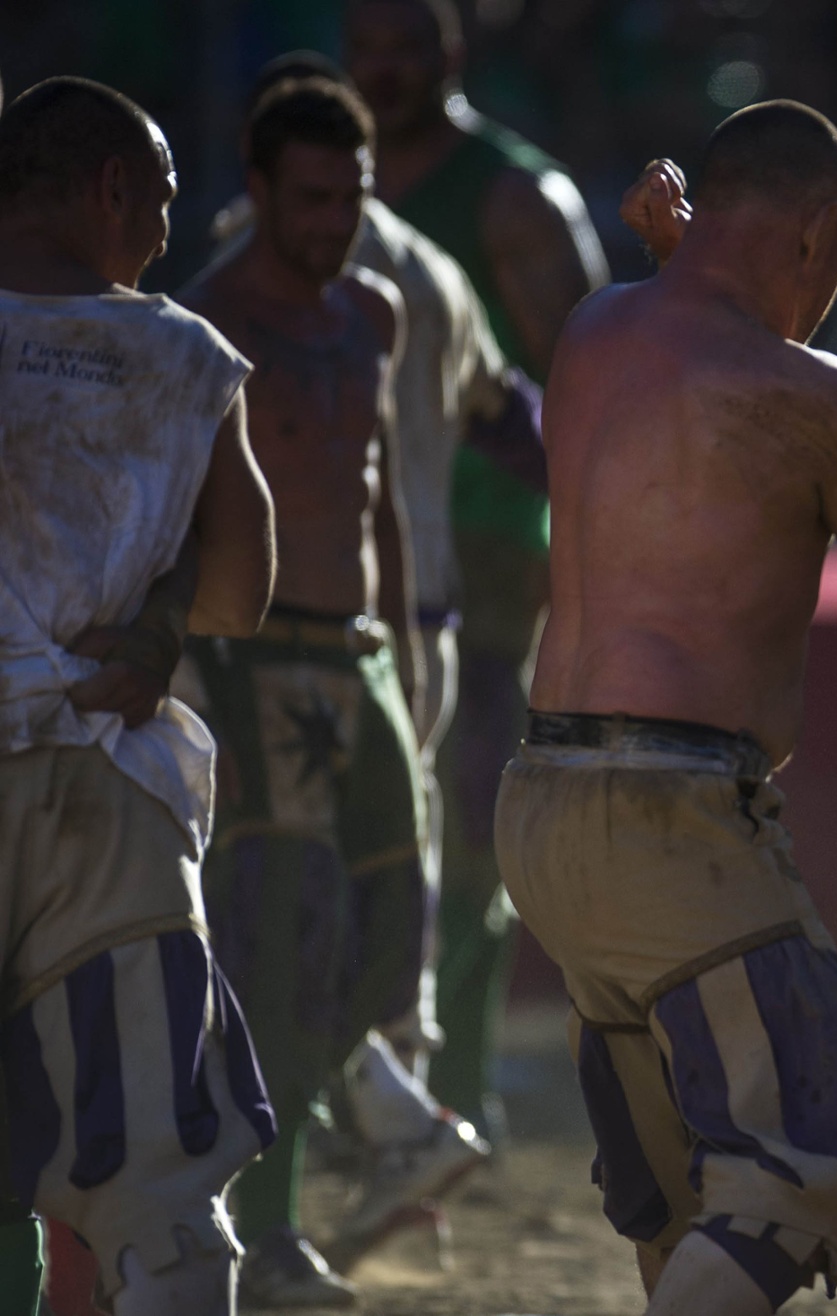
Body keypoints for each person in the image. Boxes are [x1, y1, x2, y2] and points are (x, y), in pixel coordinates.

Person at [496, 101, 837, 1314]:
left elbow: (676, 373)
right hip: (670, 823)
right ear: (821, 232)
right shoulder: (816, 396)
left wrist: (674, 259)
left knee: (686, 1185)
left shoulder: (593, 330)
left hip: (543, 809)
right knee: (818, 1163)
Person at [207, 48, 543, 1269]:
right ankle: (297, 1190)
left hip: (373, 648)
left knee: (392, 918)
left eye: (346, 196)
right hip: (269, 654)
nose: (332, 221)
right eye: (311, 198)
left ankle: (365, 1122)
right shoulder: (224, 310)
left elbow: (405, 491)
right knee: (288, 932)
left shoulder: (382, 300)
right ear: (265, 182)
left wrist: (401, 644)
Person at [0, 76, 278, 1314]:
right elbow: (243, 585)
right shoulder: (182, 356)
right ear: (110, 187)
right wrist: (160, 626)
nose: (167, 230)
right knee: (164, 1213)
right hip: (106, 788)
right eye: (160, 197)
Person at [345, 0, 609, 1143]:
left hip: (487, 553)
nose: (384, 66)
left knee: (464, 807)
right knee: (346, 819)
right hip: (343, 550)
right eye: (367, 45)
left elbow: (600, 381)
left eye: (408, 44)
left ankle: (457, 1082)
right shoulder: (323, 191)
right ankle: (364, 1079)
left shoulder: (512, 197)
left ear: (451, 56)